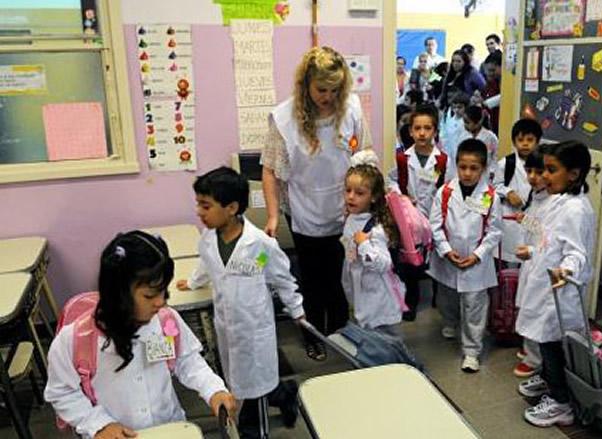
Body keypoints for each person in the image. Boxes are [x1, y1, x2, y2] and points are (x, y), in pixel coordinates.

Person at [45, 231, 236, 439]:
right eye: (149, 296)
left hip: (168, 429)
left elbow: (187, 360)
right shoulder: (75, 340)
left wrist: (213, 390)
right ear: (118, 294)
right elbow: (61, 392)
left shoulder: (166, 321)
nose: (160, 302)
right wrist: (98, 424)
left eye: (163, 292)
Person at [261, 46, 372, 361]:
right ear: (306, 84)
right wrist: (272, 216)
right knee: (311, 280)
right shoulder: (285, 119)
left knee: (339, 278)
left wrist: (368, 202)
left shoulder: (351, 108)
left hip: (345, 208)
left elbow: (364, 154)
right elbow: (269, 171)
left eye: (335, 90)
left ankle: (339, 333)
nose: (329, 97)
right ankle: (312, 335)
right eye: (322, 89)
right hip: (303, 210)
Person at [177, 167, 303, 437]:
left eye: (206, 206)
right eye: (198, 204)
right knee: (243, 380)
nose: (199, 212)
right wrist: (193, 282)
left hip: (255, 329)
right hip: (227, 326)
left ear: (232, 208)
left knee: (254, 387)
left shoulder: (259, 245)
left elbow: (282, 278)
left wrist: (297, 310)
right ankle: (284, 394)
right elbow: (207, 264)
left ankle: (253, 430)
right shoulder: (207, 239)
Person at [514, 141, 595, 428]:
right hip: (545, 283)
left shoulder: (576, 209)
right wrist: (532, 251)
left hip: (559, 289)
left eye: (551, 170)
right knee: (544, 338)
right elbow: (551, 242)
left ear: (573, 174)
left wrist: (566, 269)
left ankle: (561, 403)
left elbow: (576, 252)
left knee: (552, 343)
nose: (544, 176)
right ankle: (549, 379)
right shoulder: (557, 201)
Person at [427, 139, 502, 373]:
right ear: (456, 165)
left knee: (474, 306)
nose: (467, 173)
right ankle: (450, 321)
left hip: (476, 263)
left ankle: (471, 351)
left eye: (474, 168)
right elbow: (435, 225)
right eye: (463, 167)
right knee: (447, 297)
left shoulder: (490, 196)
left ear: (483, 168)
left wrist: (477, 255)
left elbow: (494, 231)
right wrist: (446, 250)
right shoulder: (445, 192)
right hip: (448, 258)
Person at [388, 104, 451, 321]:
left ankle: (437, 298)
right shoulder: (402, 159)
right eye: (417, 128)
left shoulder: (442, 160)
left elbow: (449, 186)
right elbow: (391, 180)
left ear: (435, 131)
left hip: (435, 216)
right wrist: (402, 197)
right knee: (409, 261)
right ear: (410, 131)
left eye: (427, 128)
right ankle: (411, 301)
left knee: (436, 258)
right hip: (410, 219)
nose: (422, 133)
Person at [342, 155, 406, 335]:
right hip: (361, 295)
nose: (351, 197)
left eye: (359, 193)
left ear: (374, 197)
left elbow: (384, 264)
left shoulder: (376, 230)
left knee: (386, 343)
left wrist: (364, 244)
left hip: (379, 300)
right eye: (348, 190)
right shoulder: (352, 219)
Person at [511, 148, 557, 380]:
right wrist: (526, 220)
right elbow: (539, 228)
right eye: (529, 171)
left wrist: (530, 249)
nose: (532, 177)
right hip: (531, 261)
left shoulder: (555, 201)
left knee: (536, 309)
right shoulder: (537, 194)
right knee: (526, 304)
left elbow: (550, 236)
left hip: (540, 261)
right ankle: (530, 348)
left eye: (539, 172)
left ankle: (534, 359)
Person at [492, 118, 542, 267]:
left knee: (529, 259)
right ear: (514, 142)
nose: (525, 144)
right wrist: (508, 193)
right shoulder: (506, 163)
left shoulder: (543, 165)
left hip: (532, 219)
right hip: (510, 219)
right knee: (506, 259)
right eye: (520, 140)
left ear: (537, 142)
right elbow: (495, 185)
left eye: (530, 140)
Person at [460, 105, 499, 178]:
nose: (465, 125)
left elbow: (496, 155)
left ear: (478, 122)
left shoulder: (490, 137)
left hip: (485, 174)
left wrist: (492, 170)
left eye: (468, 122)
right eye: (464, 122)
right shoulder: (463, 135)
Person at [480, 52, 502, 135]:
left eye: (492, 70)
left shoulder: (509, 84)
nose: (488, 73)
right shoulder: (490, 83)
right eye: (486, 70)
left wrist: (487, 103)